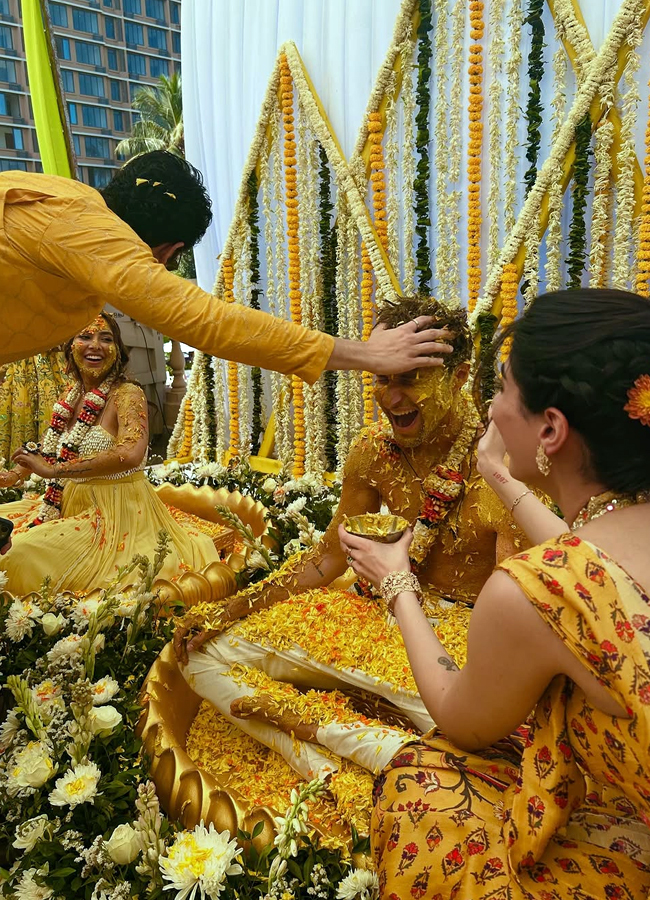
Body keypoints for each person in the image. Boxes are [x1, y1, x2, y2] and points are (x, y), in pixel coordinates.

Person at [337, 288, 650, 900]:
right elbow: (602, 576)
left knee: (418, 782)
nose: (489, 402)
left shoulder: (534, 590)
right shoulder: (603, 550)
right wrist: (502, 476)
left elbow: (458, 717)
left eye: (504, 388)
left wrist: (397, 580)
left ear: (551, 428)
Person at [173, 297, 524, 782]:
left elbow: (517, 616)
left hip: (460, 644)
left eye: (410, 379)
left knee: (485, 734)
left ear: (459, 377)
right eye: (383, 378)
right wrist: (232, 607)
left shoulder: (504, 466)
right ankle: (339, 756)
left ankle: (356, 753)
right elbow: (329, 557)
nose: (392, 398)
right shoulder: (371, 453)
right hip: (373, 617)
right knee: (202, 659)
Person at [0, 151, 450, 384]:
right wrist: (367, 354)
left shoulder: (62, 199)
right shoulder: (92, 232)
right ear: (169, 252)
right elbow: (207, 320)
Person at [0, 312, 221, 595]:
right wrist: (14, 474)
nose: (96, 345)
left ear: (117, 352)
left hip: (118, 514)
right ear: (70, 347)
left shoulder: (127, 394)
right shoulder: (71, 394)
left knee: (18, 557)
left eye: (106, 339)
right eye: (85, 337)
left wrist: (54, 471)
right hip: (70, 505)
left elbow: (129, 453)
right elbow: (54, 446)